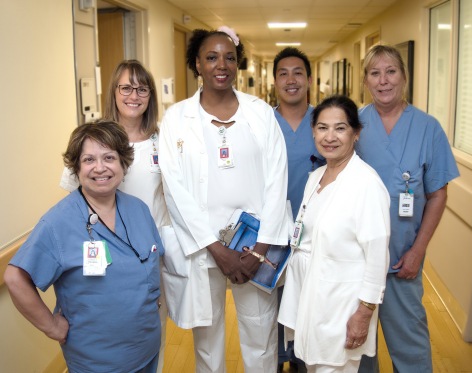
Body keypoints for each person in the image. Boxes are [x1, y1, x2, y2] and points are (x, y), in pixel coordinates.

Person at [158, 26, 290, 373]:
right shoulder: (176, 119)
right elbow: (174, 189)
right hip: (204, 248)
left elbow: (278, 180)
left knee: (260, 337)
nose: (222, 64)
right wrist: (217, 250)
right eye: (212, 57)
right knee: (208, 342)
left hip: (254, 248)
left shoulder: (260, 113)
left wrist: (260, 250)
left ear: (238, 63)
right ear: (197, 64)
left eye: (229, 57)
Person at [4, 121, 164, 373]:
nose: (100, 168)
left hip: (146, 350)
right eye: (89, 159)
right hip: (96, 361)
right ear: (76, 168)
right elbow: (14, 278)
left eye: (109, 157)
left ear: (123, 162)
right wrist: (51, 327)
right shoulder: (59, 222)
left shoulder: (139, 210)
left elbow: (152, 264)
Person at [59, 60, 170, 372]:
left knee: (151, 335)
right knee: (101, 334)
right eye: (126, 87)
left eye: (142, 88)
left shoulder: (161, 141)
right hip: (102, 255)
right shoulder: (93, 138)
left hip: (146, 257)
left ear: (150, 95)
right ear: (114, 92)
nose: (133, 95)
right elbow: (72, 198)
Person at [356, 44, 460, 373]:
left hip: (403, 258)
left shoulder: (428, 128)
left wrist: (418, 250)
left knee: (411, 348)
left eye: (391, 72)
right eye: (375, 73)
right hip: (357, 260)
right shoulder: (354, 124)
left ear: (404, 76)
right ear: (366, 80)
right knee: (358, 349)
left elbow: (438, 195)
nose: (383, 81)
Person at [278, 95, 390, 373]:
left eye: (340, 128)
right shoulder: (316, 177)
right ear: (313, 131)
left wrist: (364, 314)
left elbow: (378, 256)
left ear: (356, 133)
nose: (330, 137)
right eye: (322, 128)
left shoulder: (366, 184)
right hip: (311, 295)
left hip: (342, 305)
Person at [273, 47, 324, 373]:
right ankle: (278, 360)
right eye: (283, 73)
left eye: (298, 73)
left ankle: (304, 361)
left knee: (311, 301)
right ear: (275, 80)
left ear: (308, 79)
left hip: (316, 231)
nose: (291, 80)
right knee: (274, 303)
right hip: (273, 231)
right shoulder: (262, 121)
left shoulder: (324, 121)